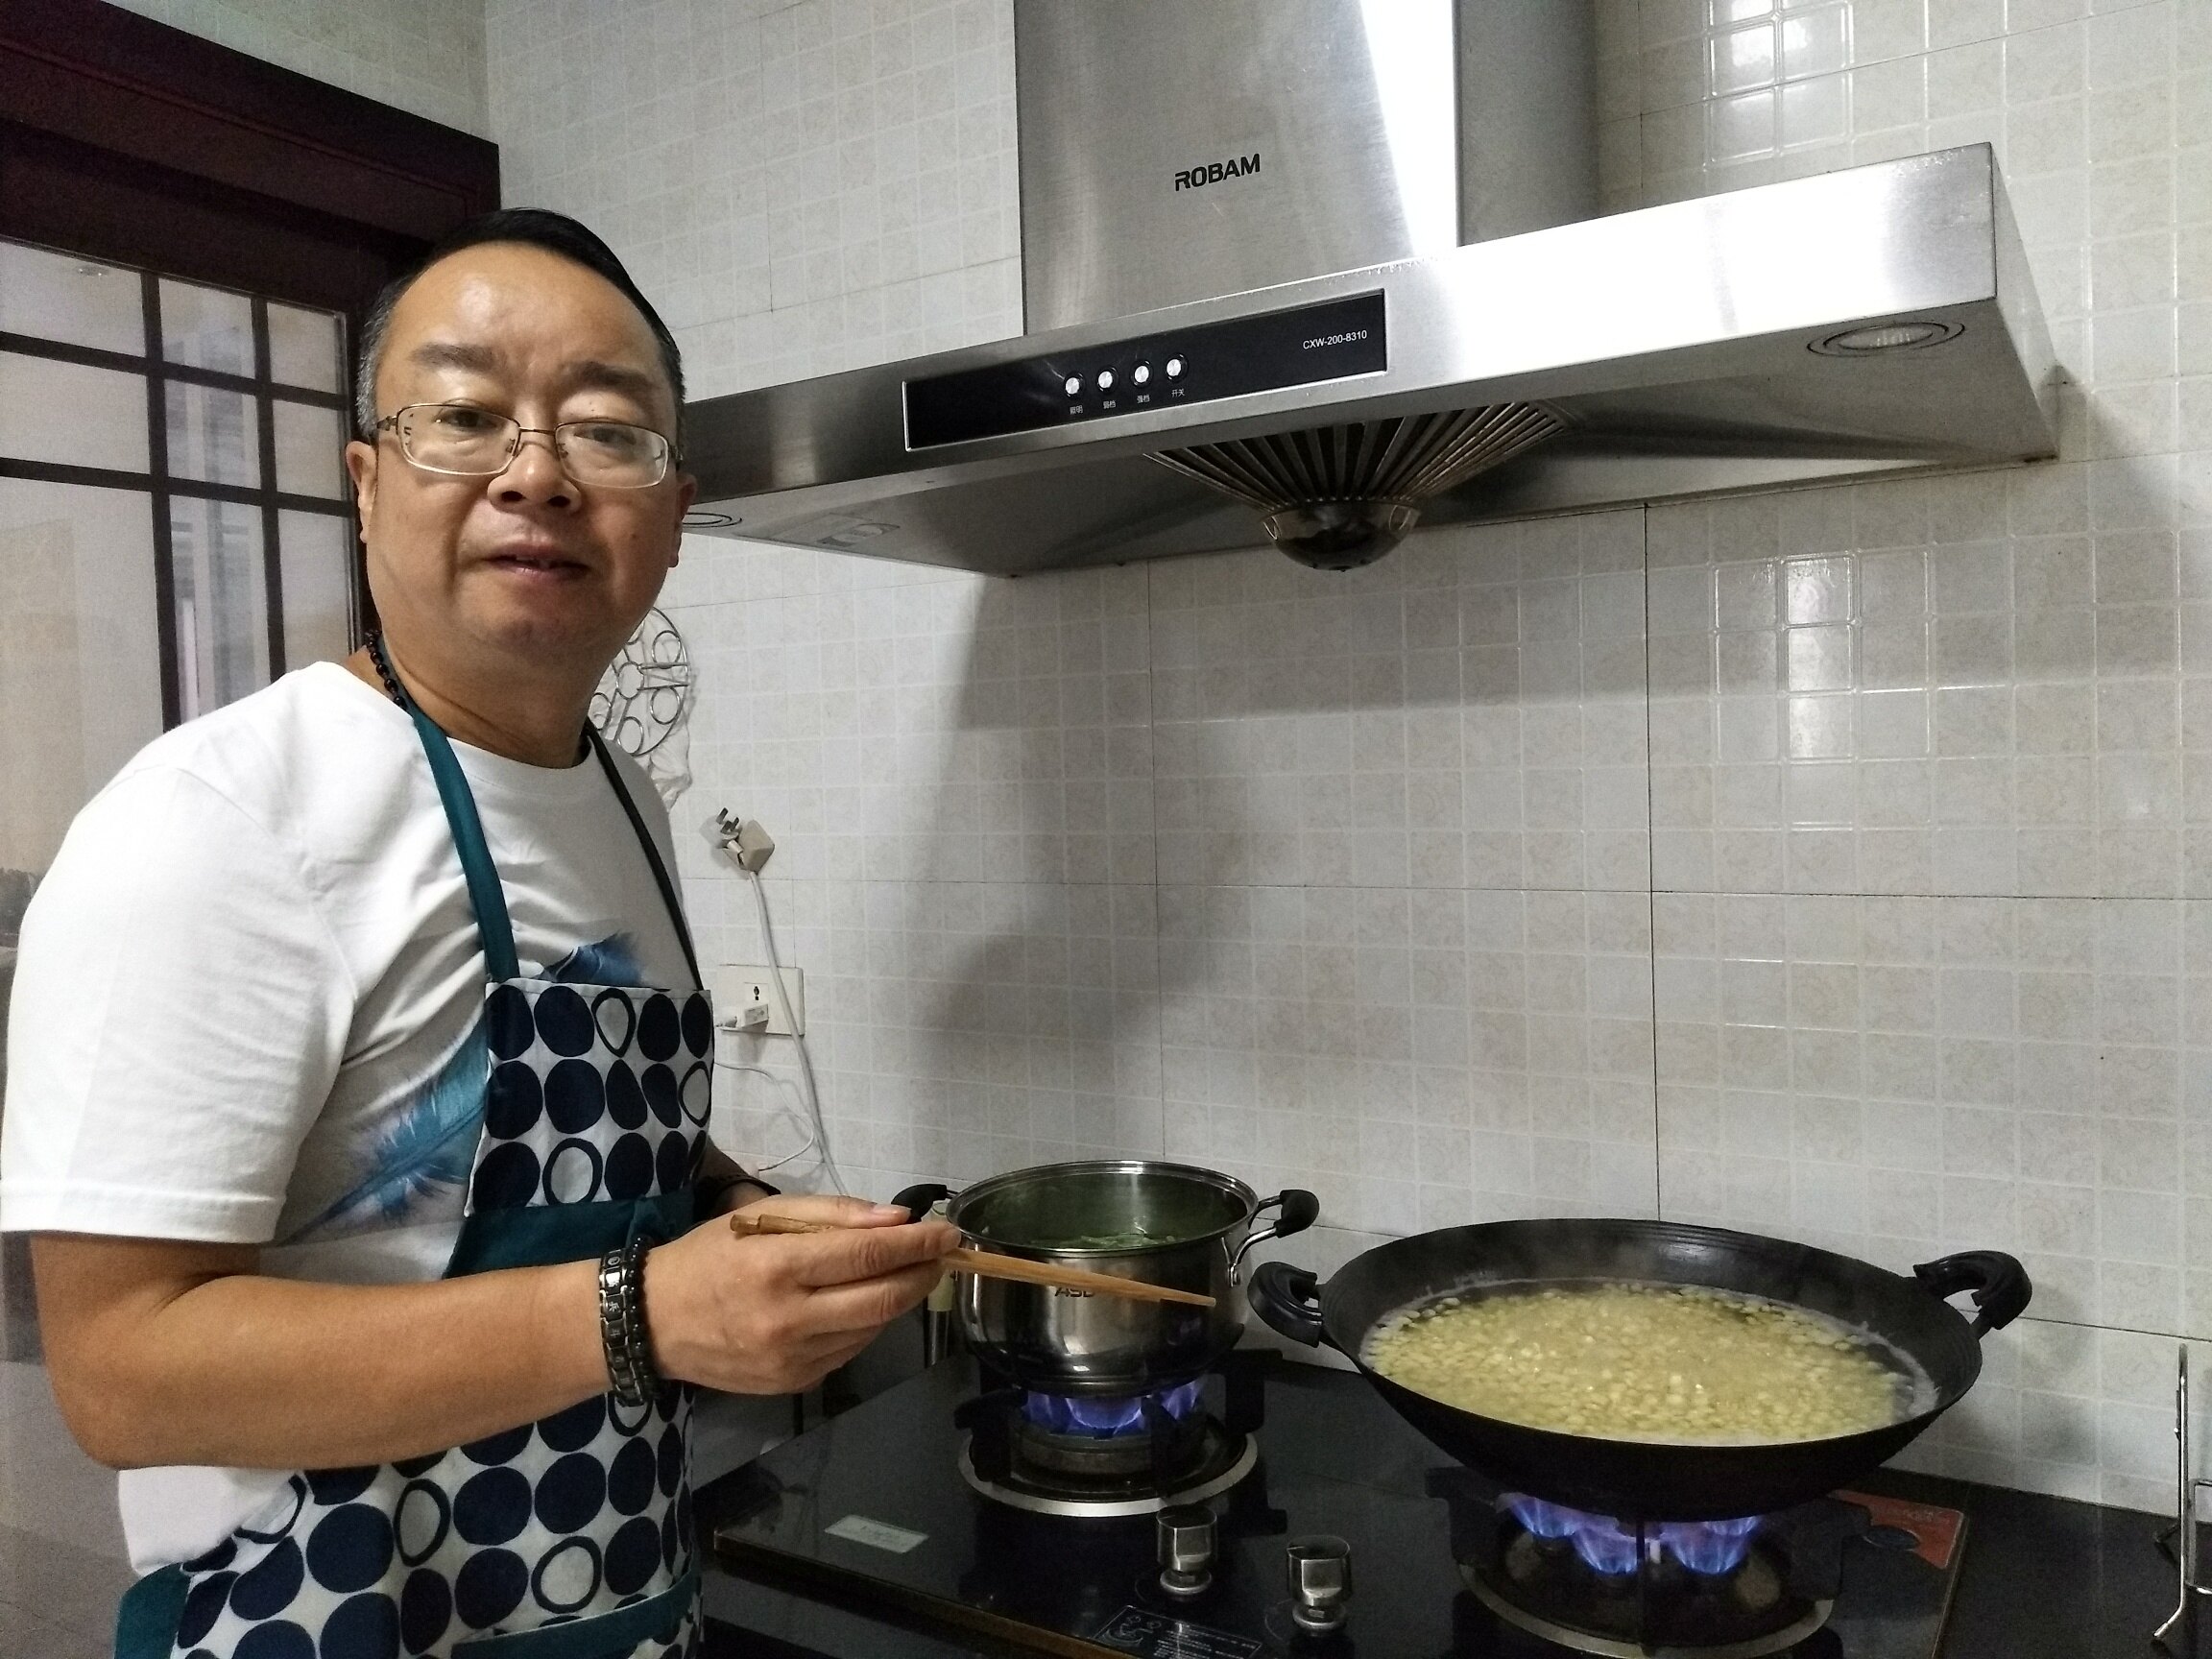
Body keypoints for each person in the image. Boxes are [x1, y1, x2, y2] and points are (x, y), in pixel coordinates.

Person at [0, 208, 957, 1659]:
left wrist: (739, 1215)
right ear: (367, 484)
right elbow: (123, 1374)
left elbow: (570, 1149)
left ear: (675, 516)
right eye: (463, 416)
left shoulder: (625, 797)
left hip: (617, 1610)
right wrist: (648, 1313)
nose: (538, 473)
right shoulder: (217, 821)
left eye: (607, 432)